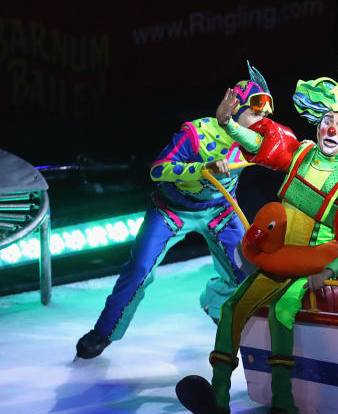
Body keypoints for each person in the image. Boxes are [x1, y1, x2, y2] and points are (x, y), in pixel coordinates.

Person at [175, 54, 338, 414]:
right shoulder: (302, 153)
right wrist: (227, 124)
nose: (332, 127)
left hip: (312, 266)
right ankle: (218, 401)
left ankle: (283, 407)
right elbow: (260, 143)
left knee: (282, 312)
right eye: (327, 120)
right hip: (279, 257)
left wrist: (330, 271)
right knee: (233, 309)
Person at [75, 62, 271, 360]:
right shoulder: (196, 133)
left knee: (248, 271)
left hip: (220, 210)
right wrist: (201, 169)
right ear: (234, 109)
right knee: (139, 269)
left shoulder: (259, 142)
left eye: (265, 117)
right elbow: (157, 169)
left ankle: (215, 303)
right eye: (255, 114)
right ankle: (103, 332)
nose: (261, 123)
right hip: (172, 210)